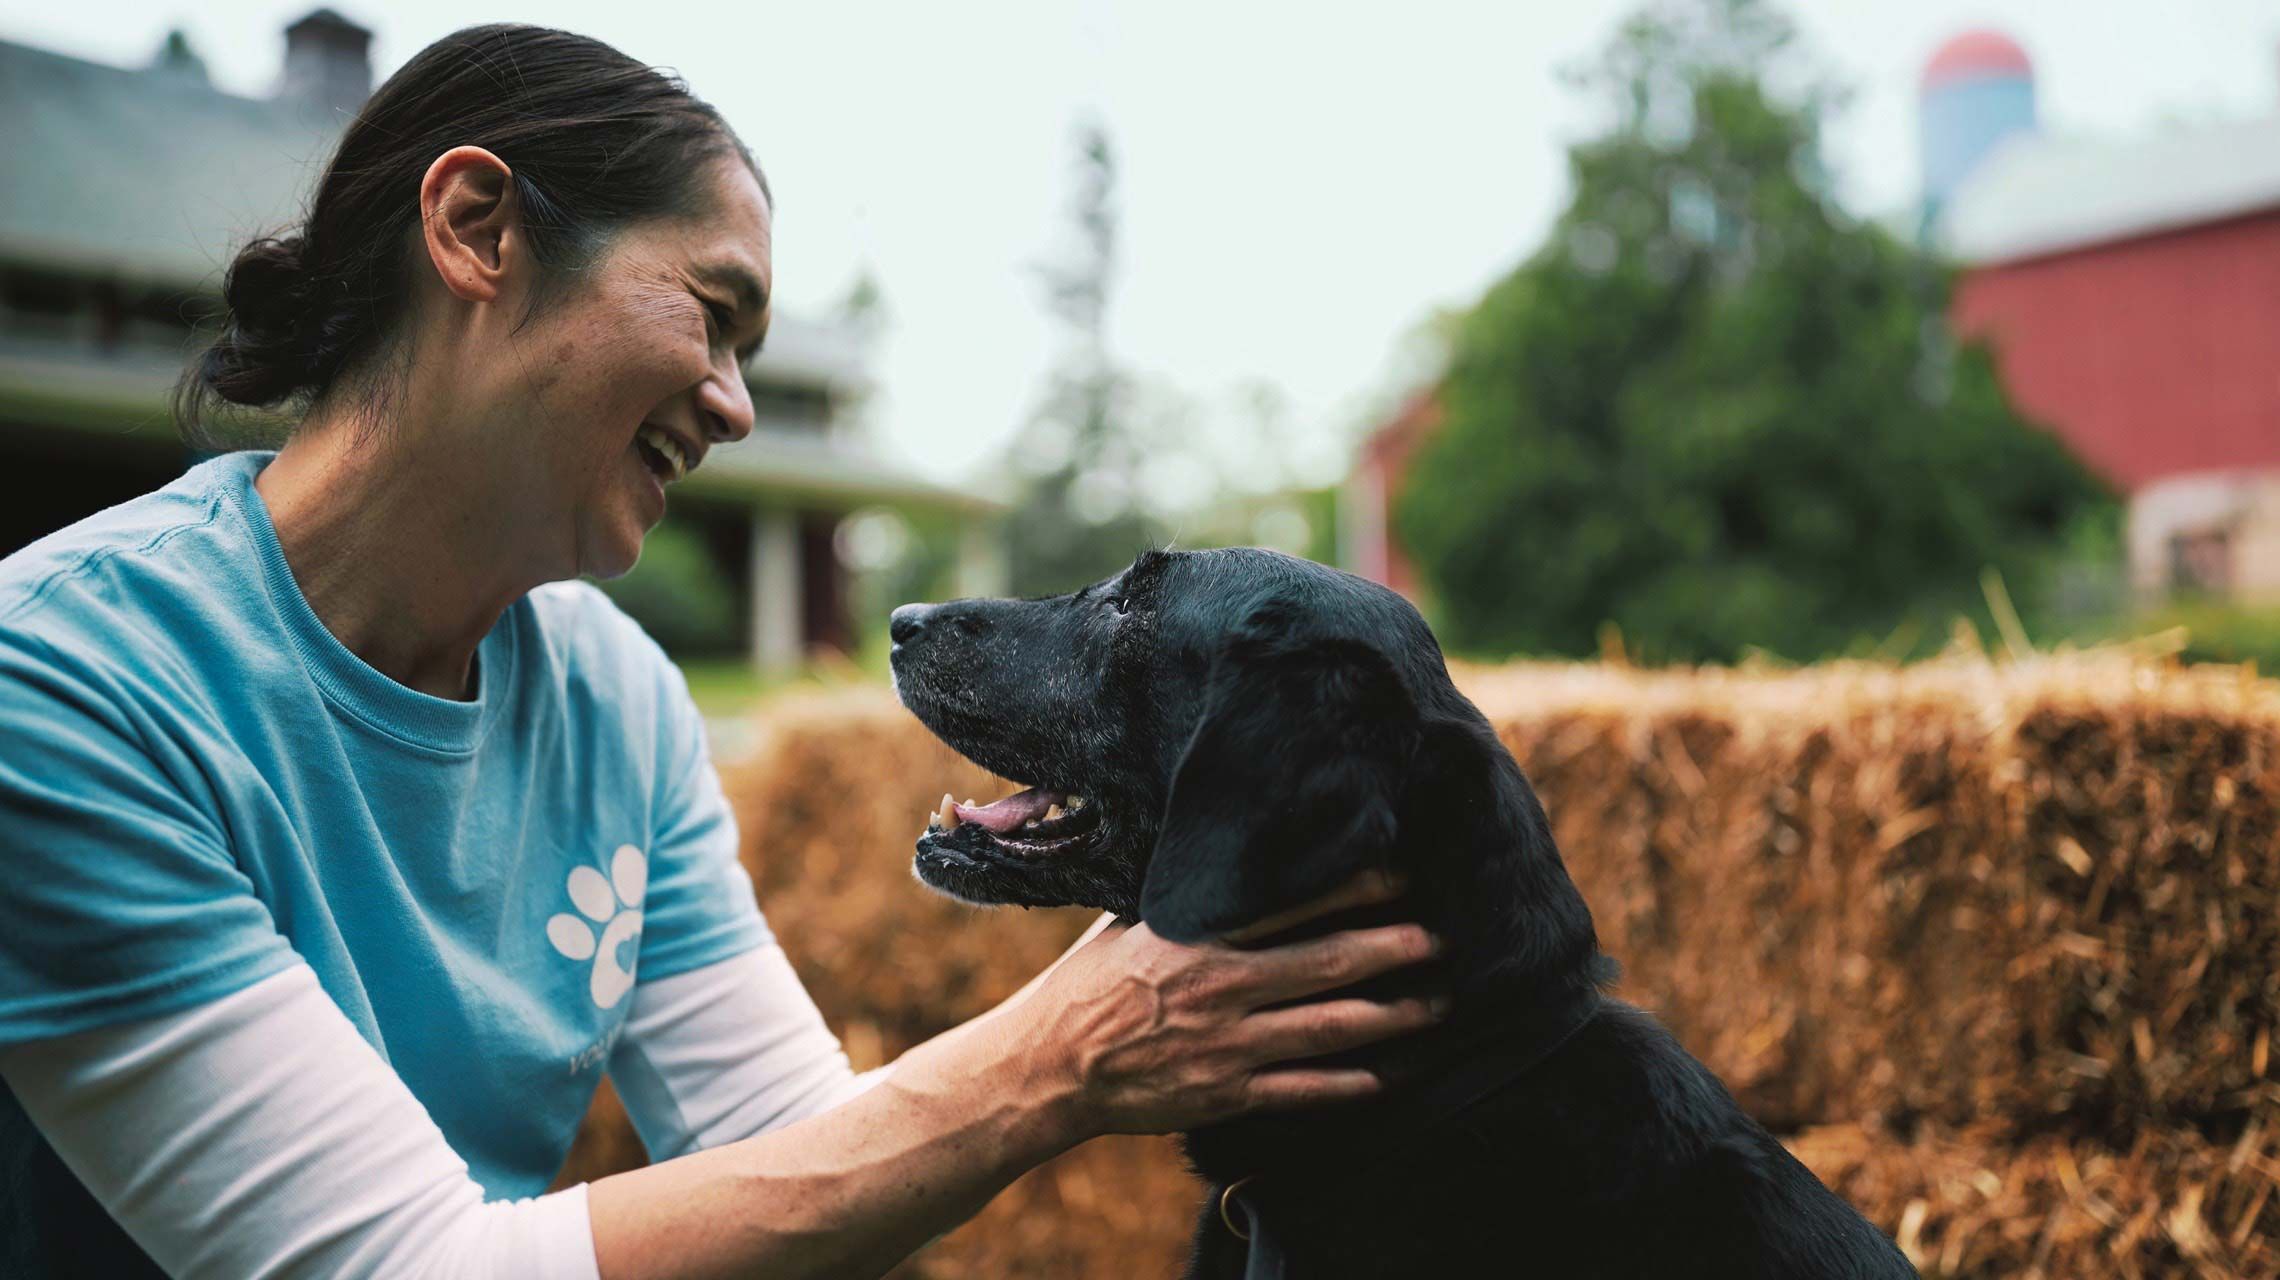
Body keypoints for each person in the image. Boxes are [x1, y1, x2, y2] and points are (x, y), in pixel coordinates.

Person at [0, 23, 1441, 1280]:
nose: (740, 405)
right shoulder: (63, 683)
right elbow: (401, 1267)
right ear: (479, 231)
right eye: (716, 312)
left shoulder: (616, 702)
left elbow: (809, 1158)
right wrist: (1054, 1060)